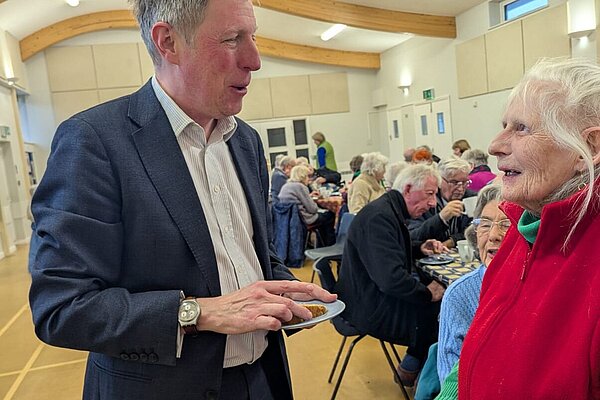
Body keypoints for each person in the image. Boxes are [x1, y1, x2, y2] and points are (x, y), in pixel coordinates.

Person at [27, 1, 336, 399]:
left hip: (263, 378)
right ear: (168, 41)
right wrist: (198, 313)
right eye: (231, 39)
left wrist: (288, 292)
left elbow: (255, 255)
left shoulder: (245, 142)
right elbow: (61, 307)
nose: (254, 60)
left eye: (253, 37)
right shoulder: (95, 142)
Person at [458, 58, 600, 399]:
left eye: (521, 128)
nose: (495, 144)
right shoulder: (522, 230)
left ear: (590, 149)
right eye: (505, 124)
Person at [336, 164, 447, 387]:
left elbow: (388, 251)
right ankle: (423, 379)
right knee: (443, 313)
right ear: (407, 189)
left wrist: (418, 247)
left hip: (366, 297)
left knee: (438, 306)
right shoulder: (380, 217)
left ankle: (411, 367)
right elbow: (391, 279)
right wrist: (427, 293)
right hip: (368, 309)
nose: (433, 203)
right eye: (429, 194)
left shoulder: (387, 210)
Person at [436, 185, 508, 383]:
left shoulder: (542, 288)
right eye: (484, 224)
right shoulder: (459, 295)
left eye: (506, 224)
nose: (493, 235)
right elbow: (450, 379)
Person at [408, 158, 477, 249]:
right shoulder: (426, 200)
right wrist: (441, 218)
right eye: (454, 182)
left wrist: (452, 241)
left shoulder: (471, 198)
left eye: (464, 183)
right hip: (429, 258)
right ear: (439, 181)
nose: (460, 189)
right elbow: (413, 236)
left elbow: (476, 231)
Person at [278, 165, 336, 246]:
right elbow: (312, 209)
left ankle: (321, 244)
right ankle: (329, 245)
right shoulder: (300, 187)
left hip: (289, 219)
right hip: (304, 219)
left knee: (323, 219)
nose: (309, 179)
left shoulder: (286, 186)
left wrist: (309, 196)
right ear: (303, 176)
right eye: (308, 176)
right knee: (330, 215)